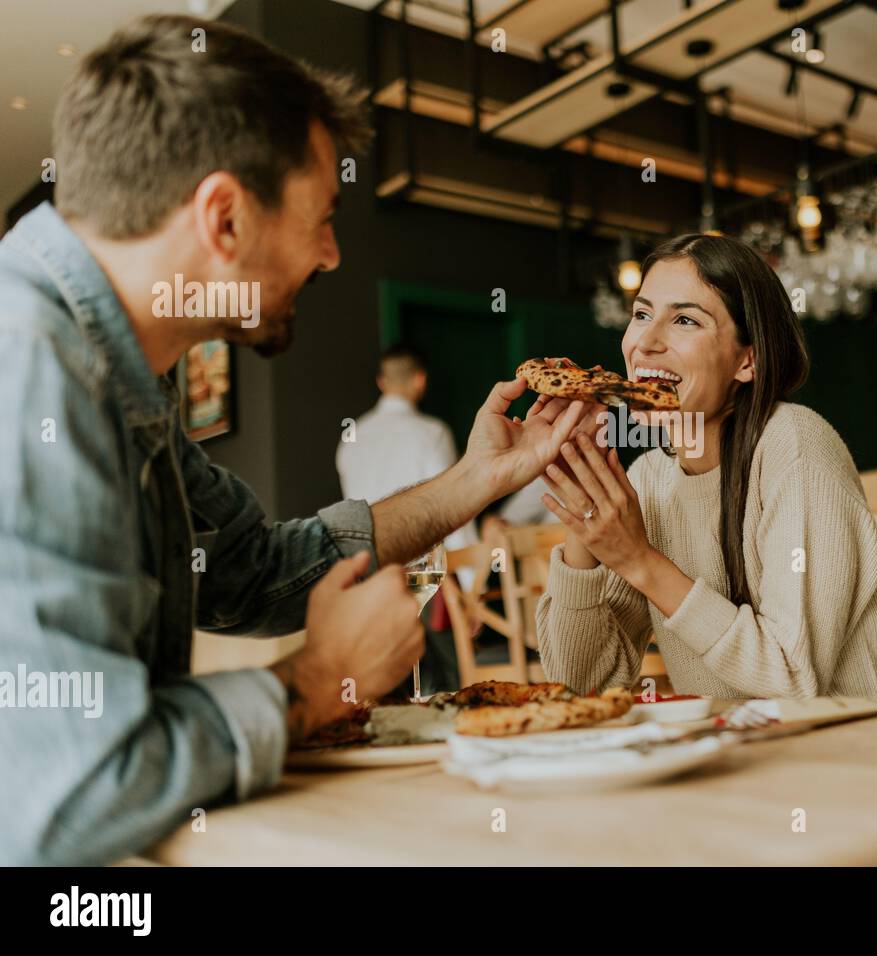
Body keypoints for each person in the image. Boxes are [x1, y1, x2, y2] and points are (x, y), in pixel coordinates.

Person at [0, 14, 588, 865]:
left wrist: (475, 478)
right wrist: (317, 680)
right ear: (225, 218)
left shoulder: (116, 371)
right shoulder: (30, 370)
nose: (333, 254)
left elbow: (254, 573)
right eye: (322, 215)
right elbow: (70, 794)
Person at [536, 234, 877, 699]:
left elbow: (792, 681)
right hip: (735, 754)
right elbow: (581, 688)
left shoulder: (794, 447)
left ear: (747, 360)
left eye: (684, 320)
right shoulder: (650, 480)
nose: (646, 343)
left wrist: (640, 560)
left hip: (860, 752)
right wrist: (584, 500)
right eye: (641, 314)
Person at [336, 342, 477, 691]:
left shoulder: (351, 438)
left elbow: (352, 514)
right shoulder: (432, 433)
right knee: (447, 685)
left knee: (388, 686)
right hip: (424, 573)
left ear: (382, 383)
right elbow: (452, 507)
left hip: (367, 576)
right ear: (419, 381)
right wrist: (474, 588)